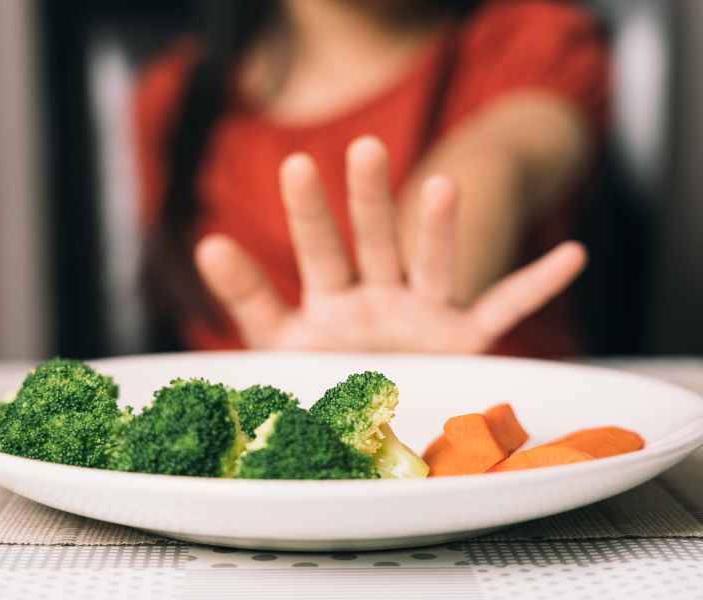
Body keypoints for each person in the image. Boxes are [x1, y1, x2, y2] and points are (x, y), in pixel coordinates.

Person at [136, 0, 610, 358]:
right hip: (257, 474)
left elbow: (491, 165)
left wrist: (405, 320)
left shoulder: (527, 40)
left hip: (507, 456)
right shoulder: (172, 99)